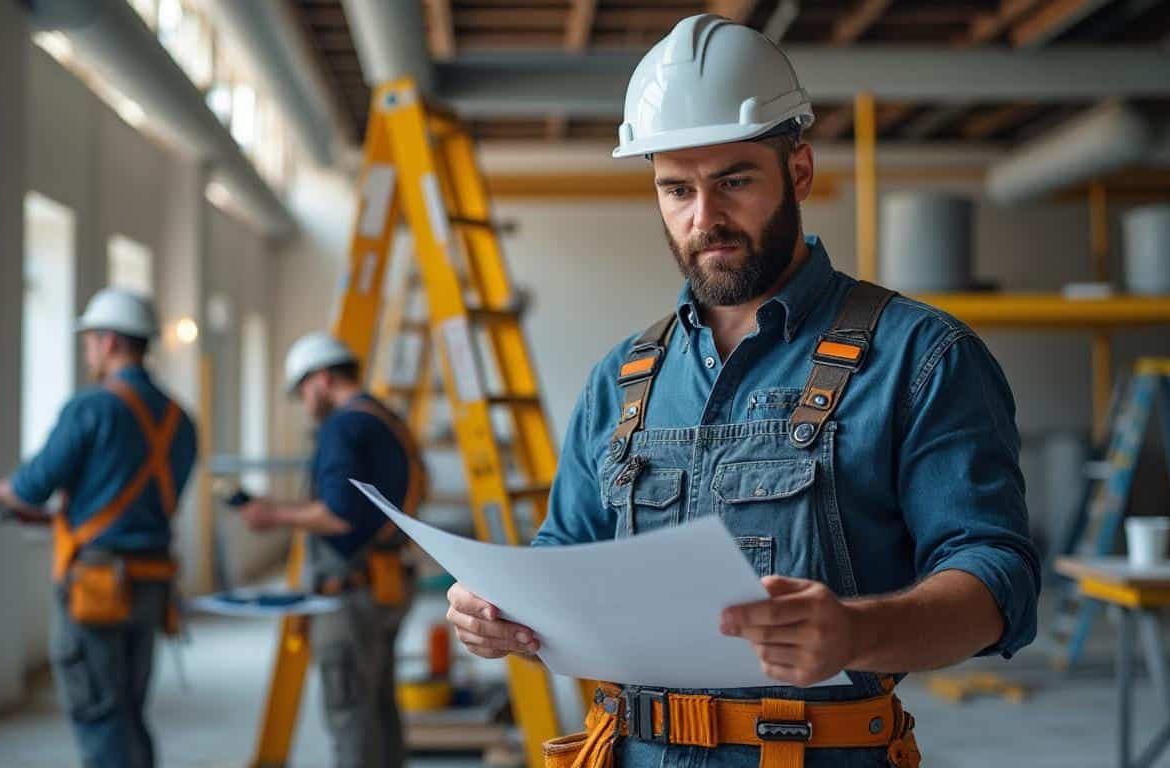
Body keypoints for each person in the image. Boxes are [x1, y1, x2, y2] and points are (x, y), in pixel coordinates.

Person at [444, 14, 1040, 768]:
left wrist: (855, 631)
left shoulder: (920, 355)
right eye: (676, 189)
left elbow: (997, 576)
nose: (705, 218)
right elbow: (566, 555)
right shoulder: (623, 379)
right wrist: (503, 614)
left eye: (733, 181)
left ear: (798, 171)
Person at [0, 288, 197, 768]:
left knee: (100, 715)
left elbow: (33, 485)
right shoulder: (181, 422)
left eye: (89, 340)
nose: (86, 351)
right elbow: (142, 502)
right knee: (128, 710)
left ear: (110, 341)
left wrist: (1, 492)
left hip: (96, 586)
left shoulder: (92, 408)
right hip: (152, 583)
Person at [238, 331, 425, 768]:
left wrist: (273, 515)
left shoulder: (341, 425)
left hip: (350, 594)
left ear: (322, 378)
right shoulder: (386, 419)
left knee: (350, 715)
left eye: (303, 389)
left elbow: (339, 516)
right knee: (379, 706)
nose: (304, 401)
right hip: (388, 581)